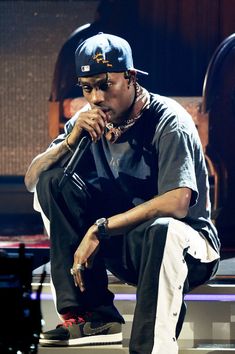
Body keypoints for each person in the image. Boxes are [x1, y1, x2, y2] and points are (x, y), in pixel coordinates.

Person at [25, 33, 220, 354]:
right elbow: (33, 180)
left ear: (130, 78)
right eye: (87, 88)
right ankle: (91, 316)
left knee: (164, 229)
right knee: (53, 180)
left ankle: (151, 348)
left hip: (188, 249)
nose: (96, 97)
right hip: (126, 247)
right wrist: (70, 141)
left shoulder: (169, 120)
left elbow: (178, 202)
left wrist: (100, 229)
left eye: (105, 85)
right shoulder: (84, 122)